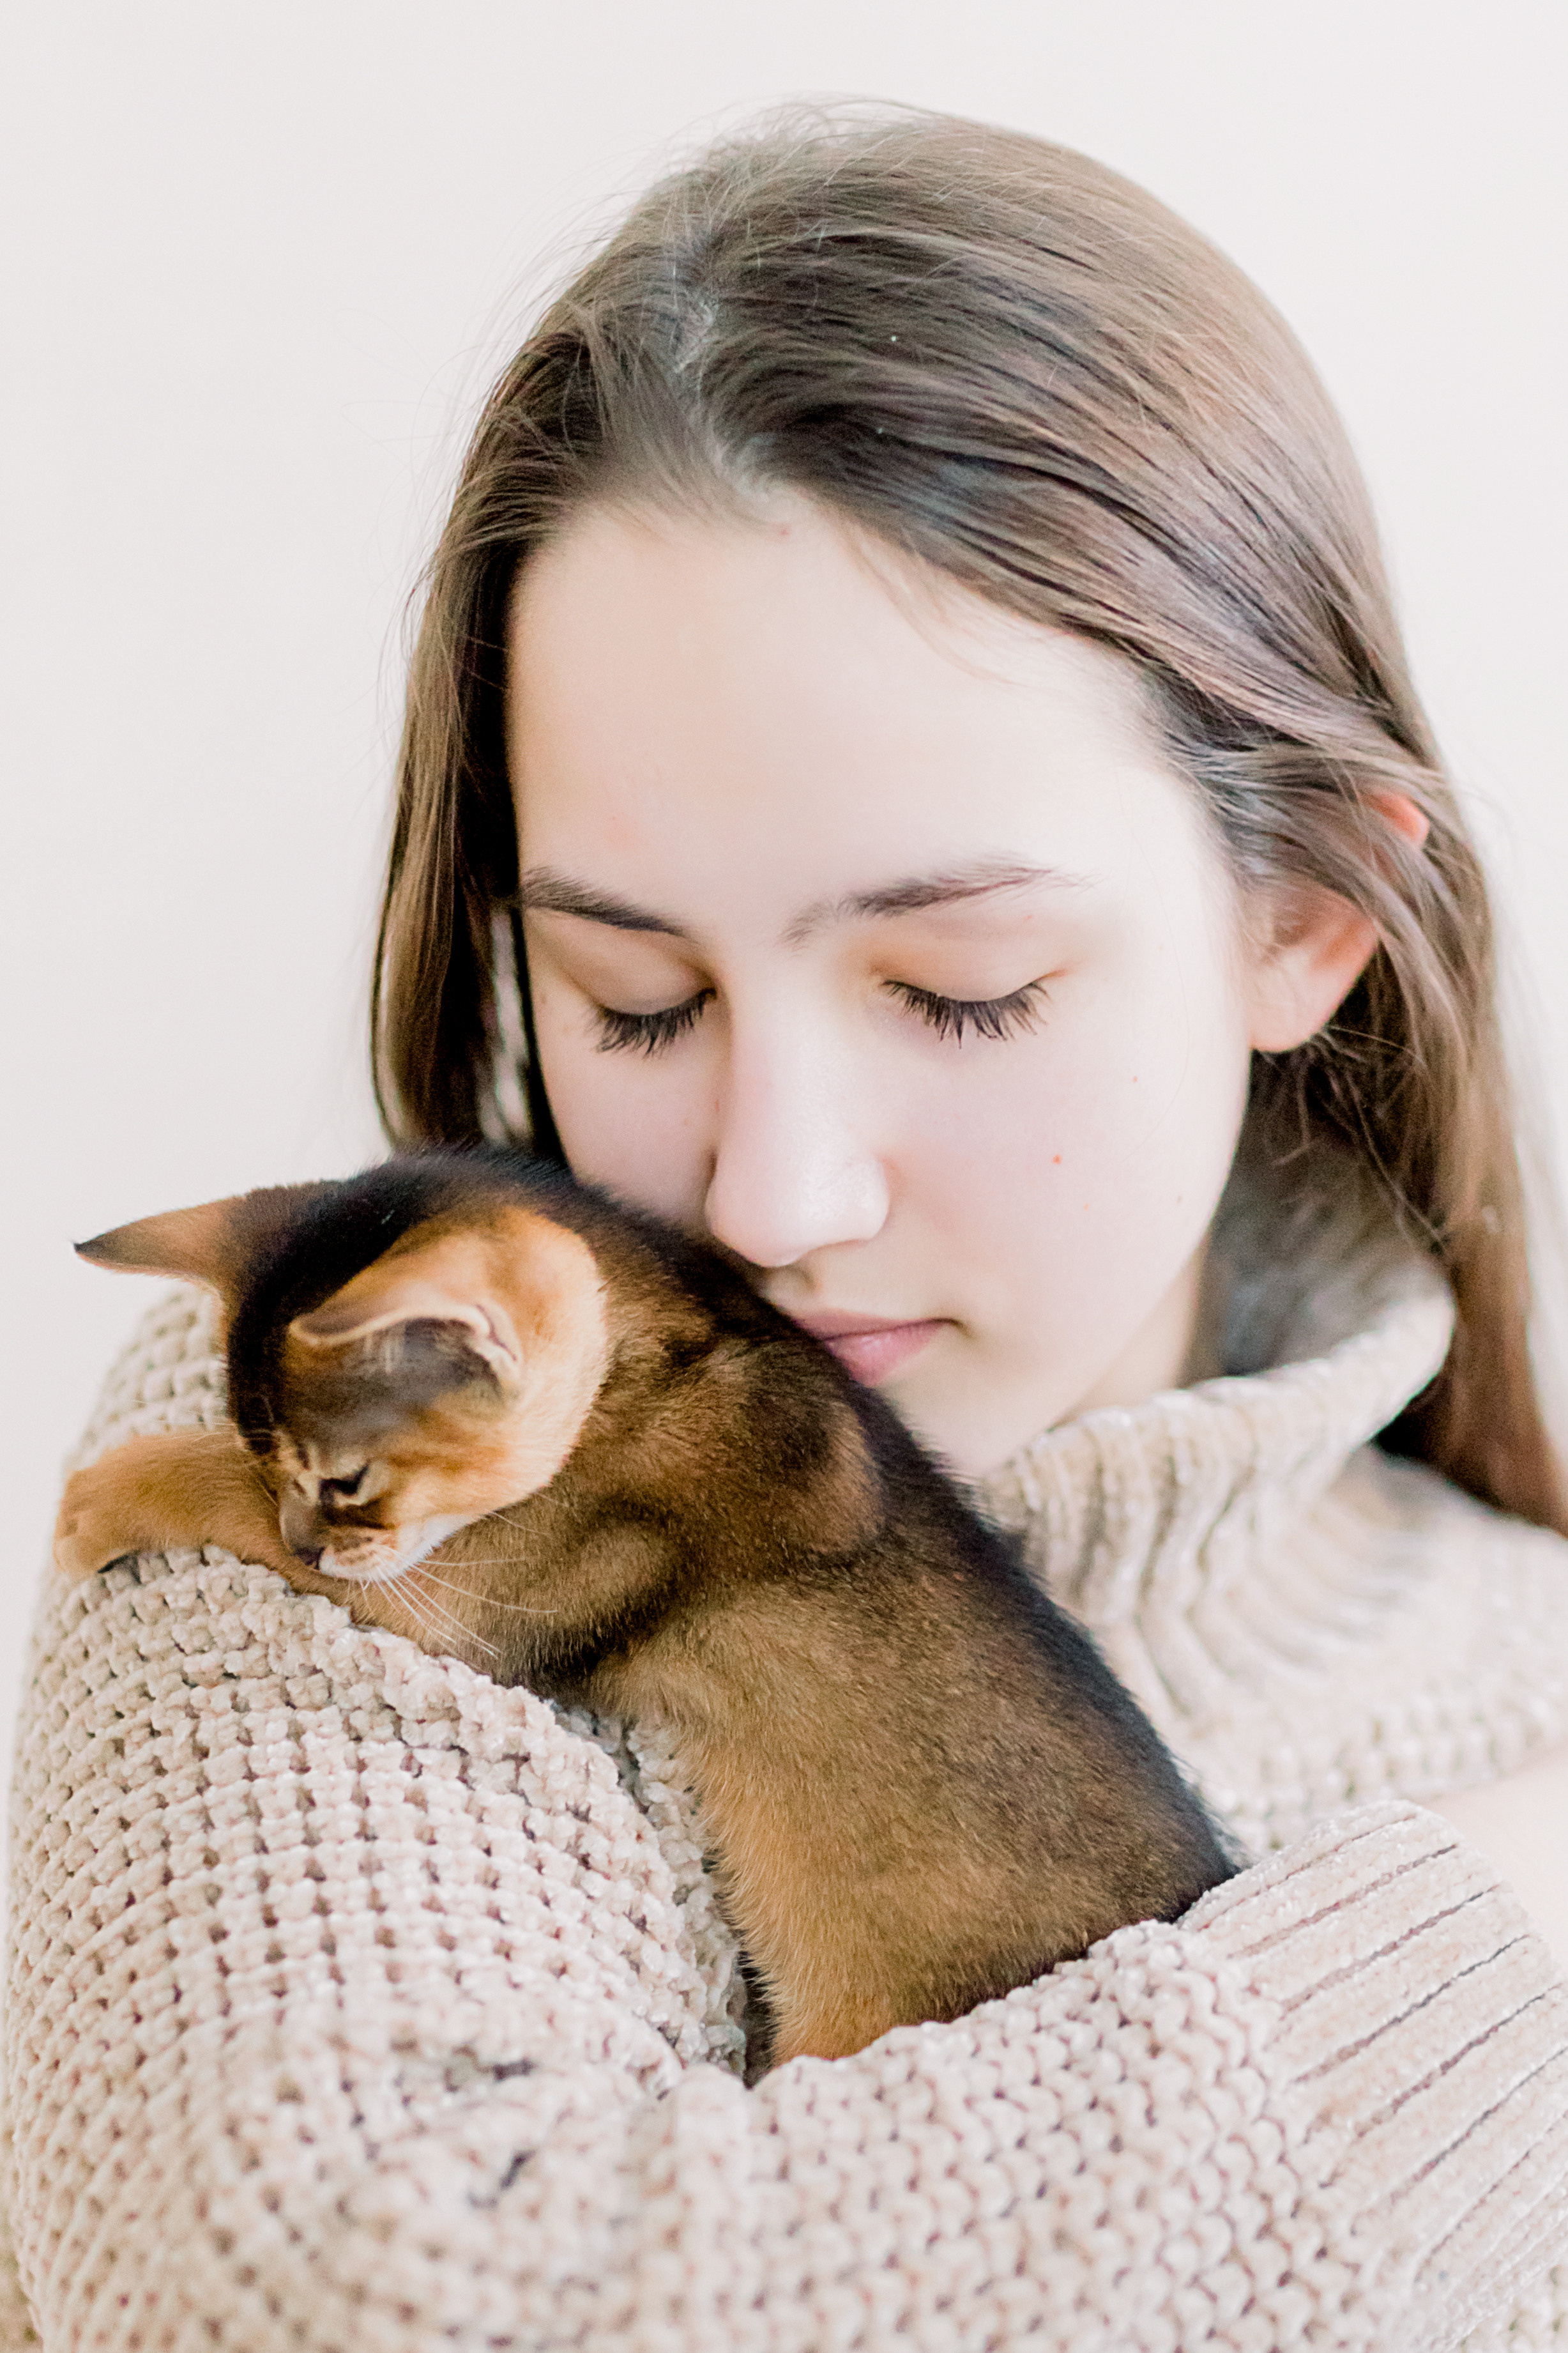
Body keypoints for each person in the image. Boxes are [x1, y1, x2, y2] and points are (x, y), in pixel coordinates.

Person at [6, 105, 1568, 2350]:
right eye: (635, 999)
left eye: (960, 987)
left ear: (1307, 913)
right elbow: (330, 2307)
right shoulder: (364, 1412)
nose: (768, 1195)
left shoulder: (1531, 1670)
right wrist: (1490, 1958)